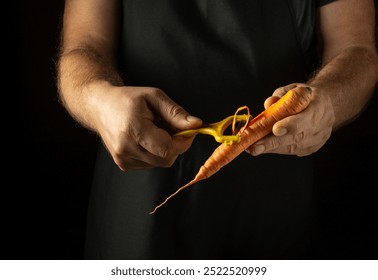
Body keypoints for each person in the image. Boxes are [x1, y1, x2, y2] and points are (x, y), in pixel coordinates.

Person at [56, 0, 378, 259]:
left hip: (276, 213)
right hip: (139, 211)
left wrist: (328, 102)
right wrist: (98, 100)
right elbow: (82, 48)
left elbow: (357, 51)